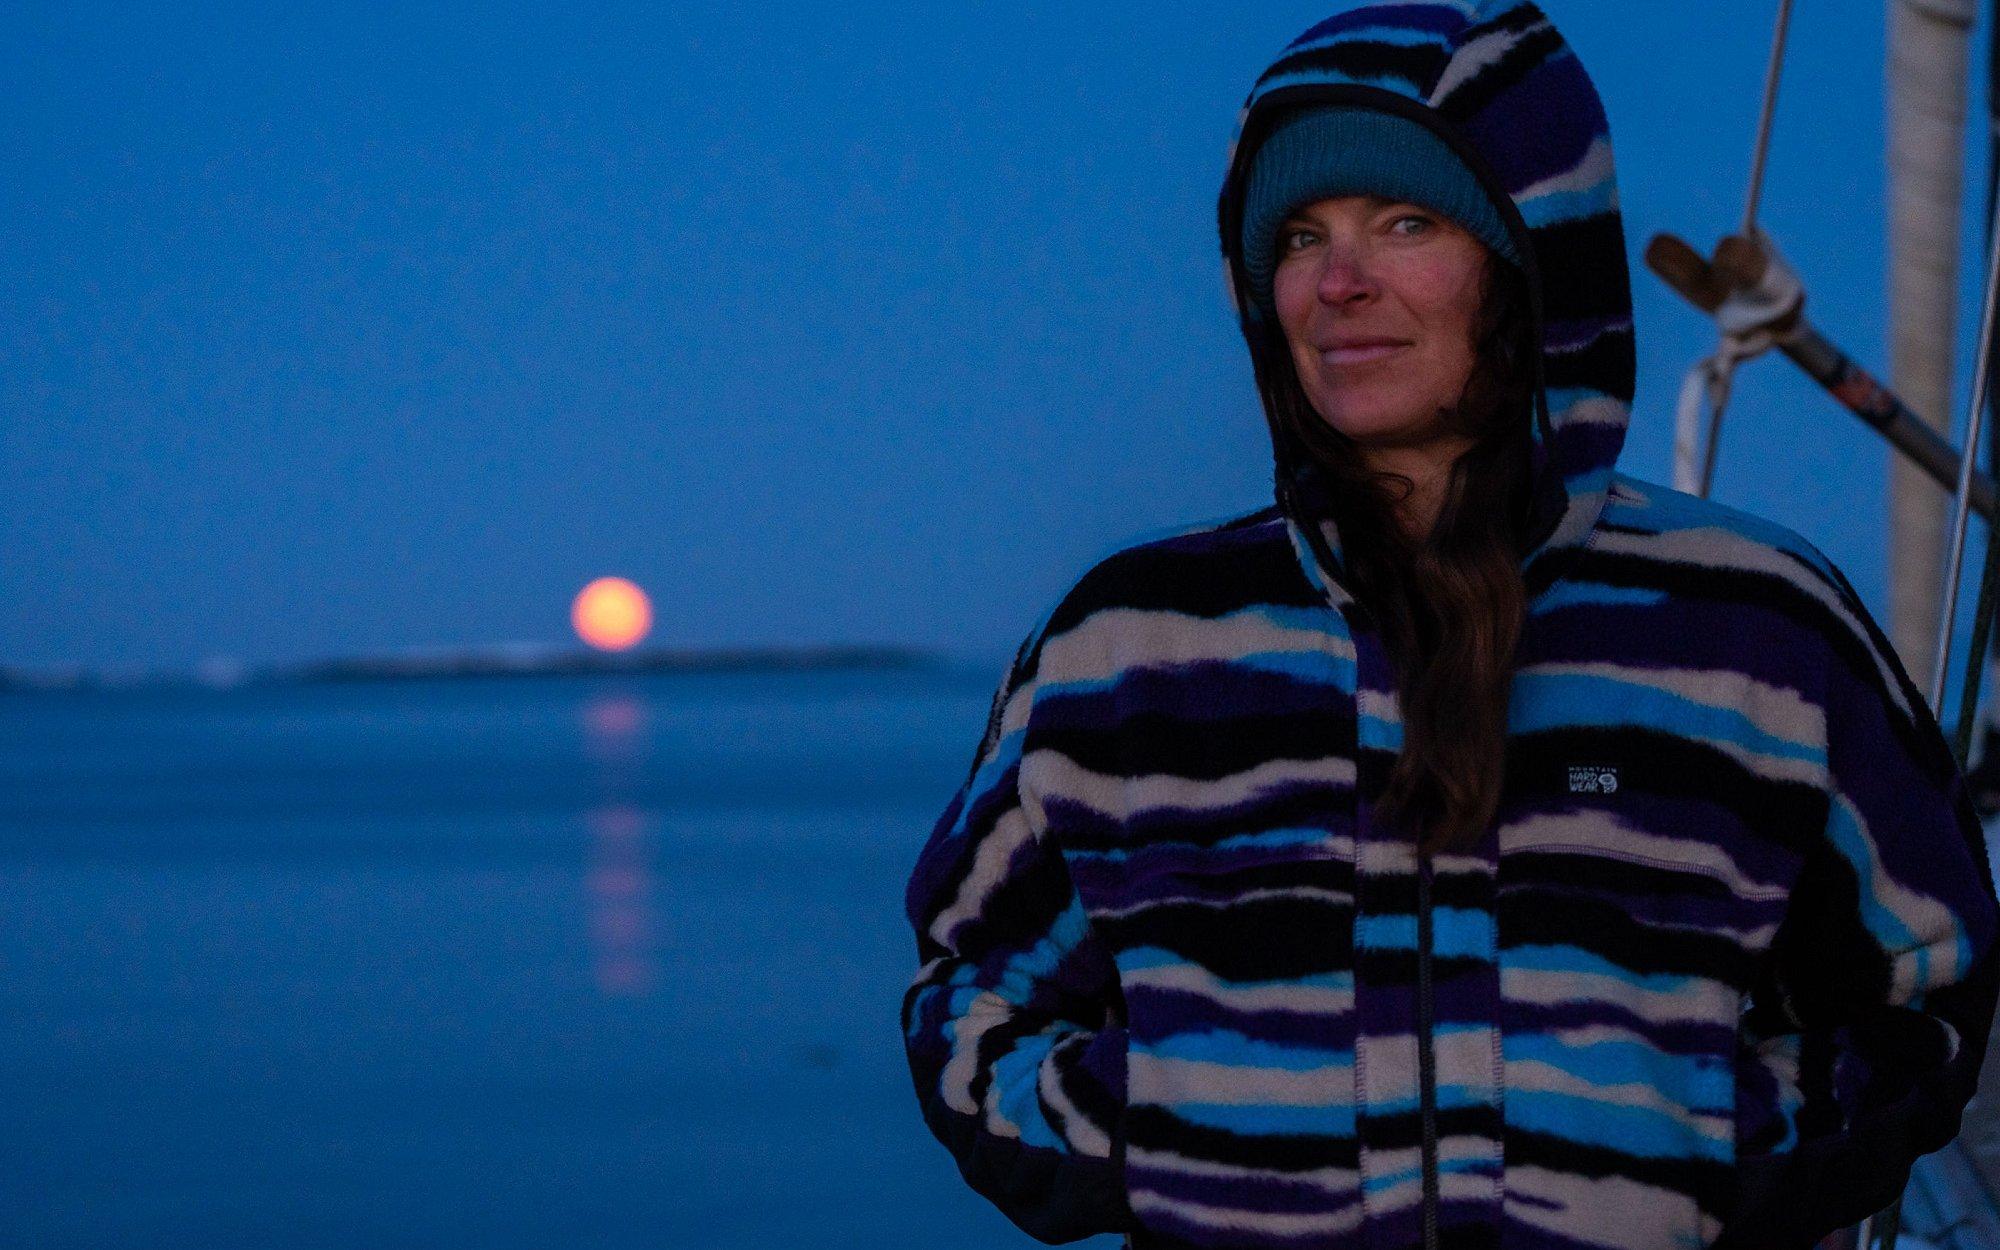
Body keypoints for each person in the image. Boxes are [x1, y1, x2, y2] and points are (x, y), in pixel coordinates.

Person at [898, 3, 2000, 1248]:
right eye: (1300, 236)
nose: (1337, 282)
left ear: (1532, 259)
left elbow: (1920, 978)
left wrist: (1698, 1149)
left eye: (1406, 223)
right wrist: (1159, 1135)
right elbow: (976, 988)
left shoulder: (1746, 624)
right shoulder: (1133, 648)